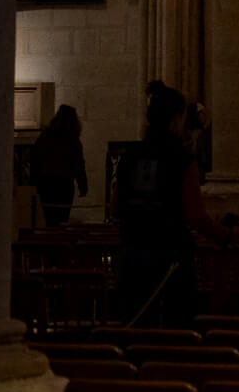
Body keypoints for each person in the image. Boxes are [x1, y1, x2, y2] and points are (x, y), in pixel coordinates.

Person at [114, 79, 228, 325]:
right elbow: (195, 215)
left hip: (132, 257)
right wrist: (224, 235)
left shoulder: (129, 157)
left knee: (135, 330)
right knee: (176, 332)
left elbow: (114, 207)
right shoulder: (182, 159)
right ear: (176, 119)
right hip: (171, 261)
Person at [29, 104, 88, 227]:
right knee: (62, 219)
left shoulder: (45, 137)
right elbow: (79, 165)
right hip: (64, 184)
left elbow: (35, 159)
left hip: (46, 183)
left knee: (49, 219)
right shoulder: (73, 140)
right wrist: (83, 185)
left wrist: (34, 181)